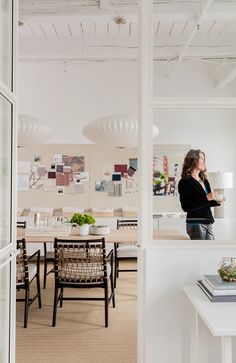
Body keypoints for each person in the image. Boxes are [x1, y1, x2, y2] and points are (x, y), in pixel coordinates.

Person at [178, 149, 221, 240]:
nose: (204, 161)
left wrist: (216, 201)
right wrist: (206, 198)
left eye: (204, 159)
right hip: (195, 223)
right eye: (201, 158)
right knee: (201, 253)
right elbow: (185, 206)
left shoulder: (204, 180)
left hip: (208, 221)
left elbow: (206, 202)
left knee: (212, 251)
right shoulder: (185, 181)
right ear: (193, 160)